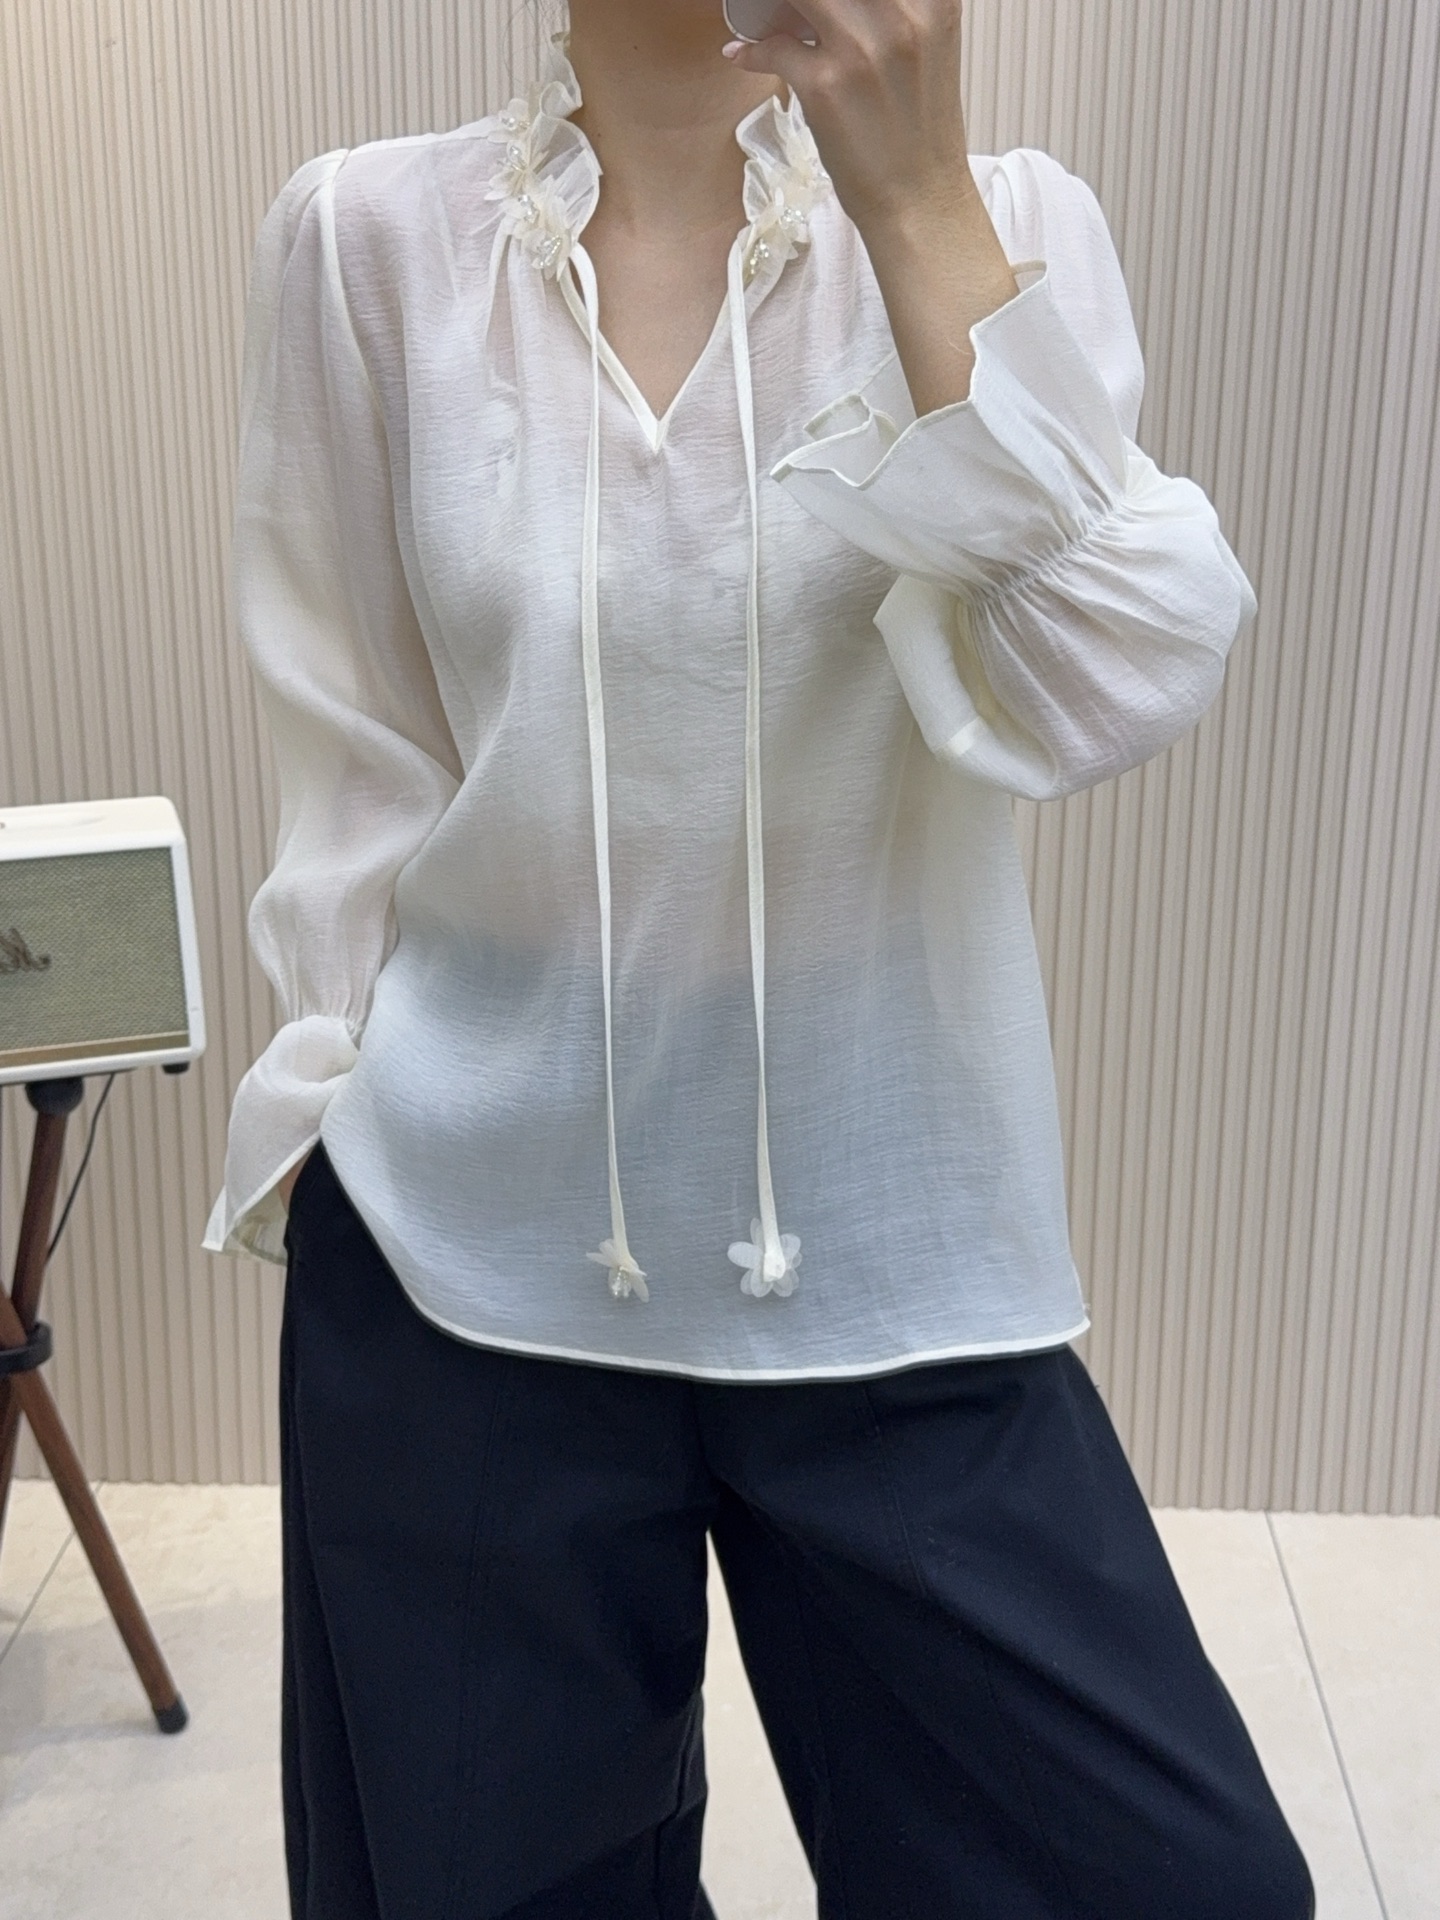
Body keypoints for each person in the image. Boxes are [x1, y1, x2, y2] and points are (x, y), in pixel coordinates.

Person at [204, 0, 1316, 1914]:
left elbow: (1111, 684)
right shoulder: (361, 238)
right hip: (467, 1272)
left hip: (892, 1258)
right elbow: (359, 743)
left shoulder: (1005, 221)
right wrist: (327, 1116)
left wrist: (914, 200)